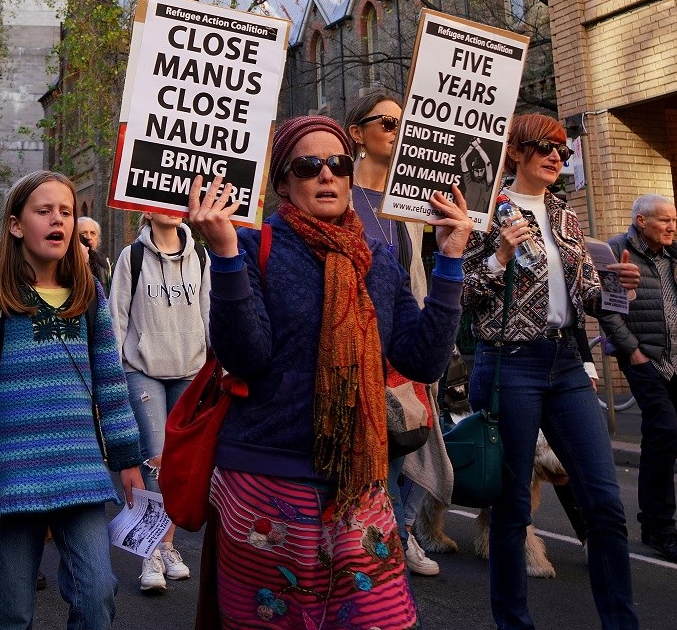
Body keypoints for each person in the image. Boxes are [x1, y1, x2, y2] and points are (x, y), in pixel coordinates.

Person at [187, 115, 472, 629]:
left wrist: (450, 258)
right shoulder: (253, 245)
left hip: (357, 483)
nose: (326, 175)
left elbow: (423, 359)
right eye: (308, 165)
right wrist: (225, 255)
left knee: (382, 620)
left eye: (337, 163)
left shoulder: (378, 258)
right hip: (266, 478)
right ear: (282, 184)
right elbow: (246, 357)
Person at [0, 170, 145, 630]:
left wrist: (129, 460)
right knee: (11, 613)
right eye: (44, 210)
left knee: (96, 595)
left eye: (66, 212)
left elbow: (111, 384)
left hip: (82, 474)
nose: (59, 220)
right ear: (16, 224)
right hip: (9, 479)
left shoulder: (90, 294)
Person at [462, 113, 642, 630]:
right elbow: (464, 292)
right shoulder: (485, 209)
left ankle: (620, 622)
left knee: (604, 504)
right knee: (513, 508)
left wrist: (617, 285)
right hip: (508, 366)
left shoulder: (565, 214)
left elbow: (585, 291)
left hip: (565, 362)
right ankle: (513, 623)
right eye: (543, 146)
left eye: (563, 149)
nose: (556, 156)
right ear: (515, 152)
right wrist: (500, 256)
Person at [346, 87, 449, 578]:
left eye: (402, 124)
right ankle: (366, 547)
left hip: (395, 350)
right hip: (348, 349)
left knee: (401, 443)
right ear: (357, 134)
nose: (397, 131)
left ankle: (393, 536)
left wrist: (427, 334)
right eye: (386, 123)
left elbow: (415, 279)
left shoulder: (408, 205)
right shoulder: (340, 195)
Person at [599, 194, 677, 565]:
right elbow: (608, 309)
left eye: (674, 220)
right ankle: (663, 529)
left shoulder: (675, 254)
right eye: (664, 221)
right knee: (666, 433)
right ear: (641, 221)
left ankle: (651, 524)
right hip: (646, 359)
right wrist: (633, 351)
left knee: (661, 441)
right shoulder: (617, 248)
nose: (672, 227)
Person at [109, 211, 209, 593]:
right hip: (142, 369)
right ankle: (147, 553)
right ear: (145, 209)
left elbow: (209, 313)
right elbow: (116, 319)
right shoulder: (131, 257)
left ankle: (167, 546)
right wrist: (112, 380)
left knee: (178, 465)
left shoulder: (200, 256)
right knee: (155, 459)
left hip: (190, 371)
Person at [79, 216, 112, 293]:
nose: (89, 237)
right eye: (83, 233)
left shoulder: (105, 262)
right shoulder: (67, 262)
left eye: (93, 233)